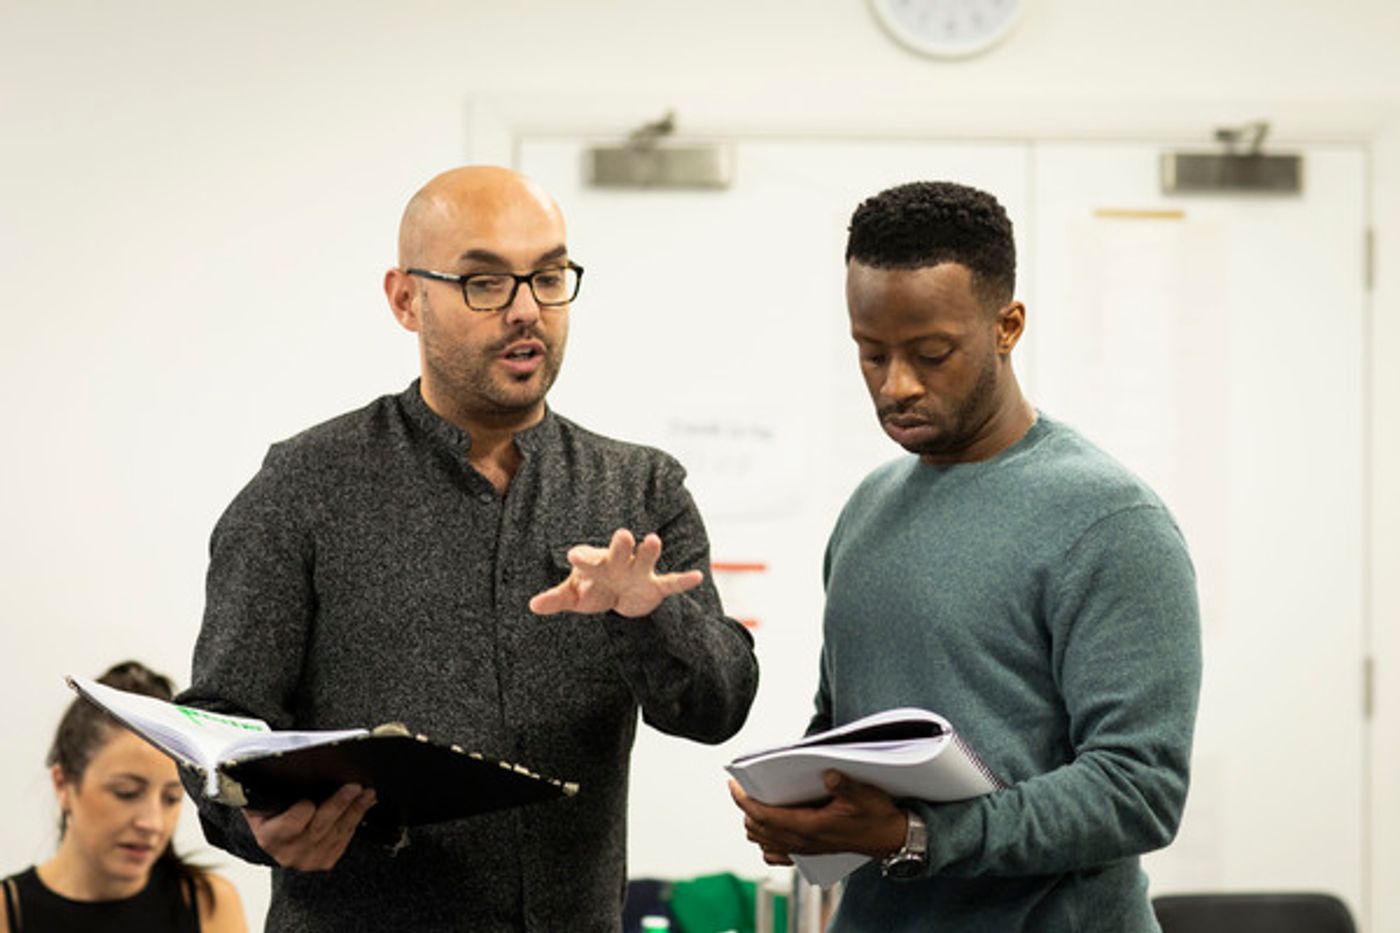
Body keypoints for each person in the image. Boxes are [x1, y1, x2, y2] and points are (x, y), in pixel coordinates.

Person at [176, 165, 760, 932]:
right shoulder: (305, 485)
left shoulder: (638, 490)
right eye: (485, 282)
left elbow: (718, 708)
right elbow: (221, 719)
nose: (527, 311)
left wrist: (648, 617)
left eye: (549, 277)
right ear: (405, 299)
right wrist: (252, 822)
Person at [730, 180, 1201, 932]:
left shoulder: (1111, 521)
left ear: (1007, 325)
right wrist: (808, 812)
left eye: (931, 353)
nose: (897, 385)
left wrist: (918, 836)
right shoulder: (868, 508)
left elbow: (1139, 788)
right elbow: (843, 726)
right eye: (871, 353)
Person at [2, 661, 246, 933]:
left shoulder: (208, 903)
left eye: (171, 798)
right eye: (126, 793)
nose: (152, 823)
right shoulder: (8, 910)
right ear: (64, 784)